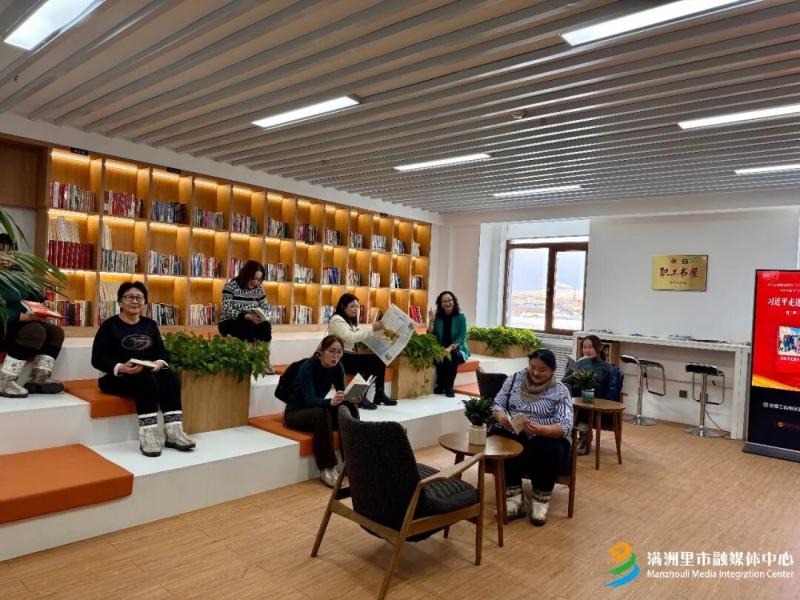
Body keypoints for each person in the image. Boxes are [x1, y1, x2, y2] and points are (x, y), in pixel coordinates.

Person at [91, 281, 195, 457]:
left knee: (169, 375)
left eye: (139, 297)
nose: (135, 301)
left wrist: (159, 363)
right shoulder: (109, 326)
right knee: (146, 380)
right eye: (129, 297)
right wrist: (122, 368)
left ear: (145, 302)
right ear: (120, 302)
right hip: (117, 378)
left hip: (146, 373)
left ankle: (173, 431)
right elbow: (97, 359)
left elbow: (162, 352)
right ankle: (148, 435)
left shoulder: (150, 325)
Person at [491, 348, 573, 527]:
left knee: (548, 448)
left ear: (553, 370)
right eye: (532, 367)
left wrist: (542, 429)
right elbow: (497, 403)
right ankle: (514, 500)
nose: (535, 373)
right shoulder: (514, 379)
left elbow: (565, 425)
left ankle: (540, 502)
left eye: (542, 370)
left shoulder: (560, 390)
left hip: (547, 435)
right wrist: (501, 417)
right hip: (515, 430)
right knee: (502, 441)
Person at [282, 335, 358, 487]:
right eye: (331, 351)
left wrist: (353, 398)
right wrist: (330, 402)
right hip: (295, 413)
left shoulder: (338, 368)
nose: (335, 356)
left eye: (339, 352)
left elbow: (342, 394)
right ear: (321, 351)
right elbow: (310, 400)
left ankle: (351, 462)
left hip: (316, 409)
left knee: (349, 408)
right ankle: (327, 469)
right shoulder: (308, 367)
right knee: (321, 413)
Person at [0, 233, 65, 397]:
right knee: (35, 330)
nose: (6, 257)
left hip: (21, 322)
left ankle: (39, 377)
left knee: (56, 332)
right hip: (4, 324)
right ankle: (5, 381)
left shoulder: (18, 272)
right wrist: (23, 317)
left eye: (10, 252)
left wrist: (45, 301)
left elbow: (34, 292)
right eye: (1, 252)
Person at [327, 293, 395, 409]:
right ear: (343, 306)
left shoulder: (349, 320)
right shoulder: (337, 320)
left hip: (348, 356)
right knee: (374, 362)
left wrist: (383, 334)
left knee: (380, 358)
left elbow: (361, 333)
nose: (356, 309)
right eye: (352, 306)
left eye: (357, 306)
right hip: (339, 358)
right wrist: (372, 328)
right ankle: (358, 396)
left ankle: (379, 393)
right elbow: (351, 337)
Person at [563, 335, 614, 456]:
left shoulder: (604, 366)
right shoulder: (579, 362)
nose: (587, 350)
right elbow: (564, 381)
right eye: (584, 347)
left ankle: (584, 437)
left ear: (598, 348)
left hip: (594, 398)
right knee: (566, 389)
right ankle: (567, 435)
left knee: (584, 391)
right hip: (576, 396)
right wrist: (574, 370)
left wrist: (582, 372)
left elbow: (596, 383)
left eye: (590, 347)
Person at [428, 291, 470, 397]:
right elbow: (431, 336)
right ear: (440, 304)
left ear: (454, 301)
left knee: (452, 355)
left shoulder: (461, 317)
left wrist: (450, 348)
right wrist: (431, 321)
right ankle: (440, 385)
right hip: (441, 347)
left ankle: (448, 387)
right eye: (444, 301)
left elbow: (461, 337)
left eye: (450, 300)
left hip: (457, 348)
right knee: (439, 355)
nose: (447, 303)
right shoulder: (438, 318)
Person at [219, 260, 272, 343]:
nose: (255, 282)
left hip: (253, 320)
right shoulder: (231, 286)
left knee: (266, 327)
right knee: (248, 326)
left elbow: (266, 308)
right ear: (246, 275)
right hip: (231, 321)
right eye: (254, 278)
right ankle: (248, 348)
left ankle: (260, 349)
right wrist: (246, 316)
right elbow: (227, 309)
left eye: (259, 280)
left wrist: (263, 316)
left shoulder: (259, 290)